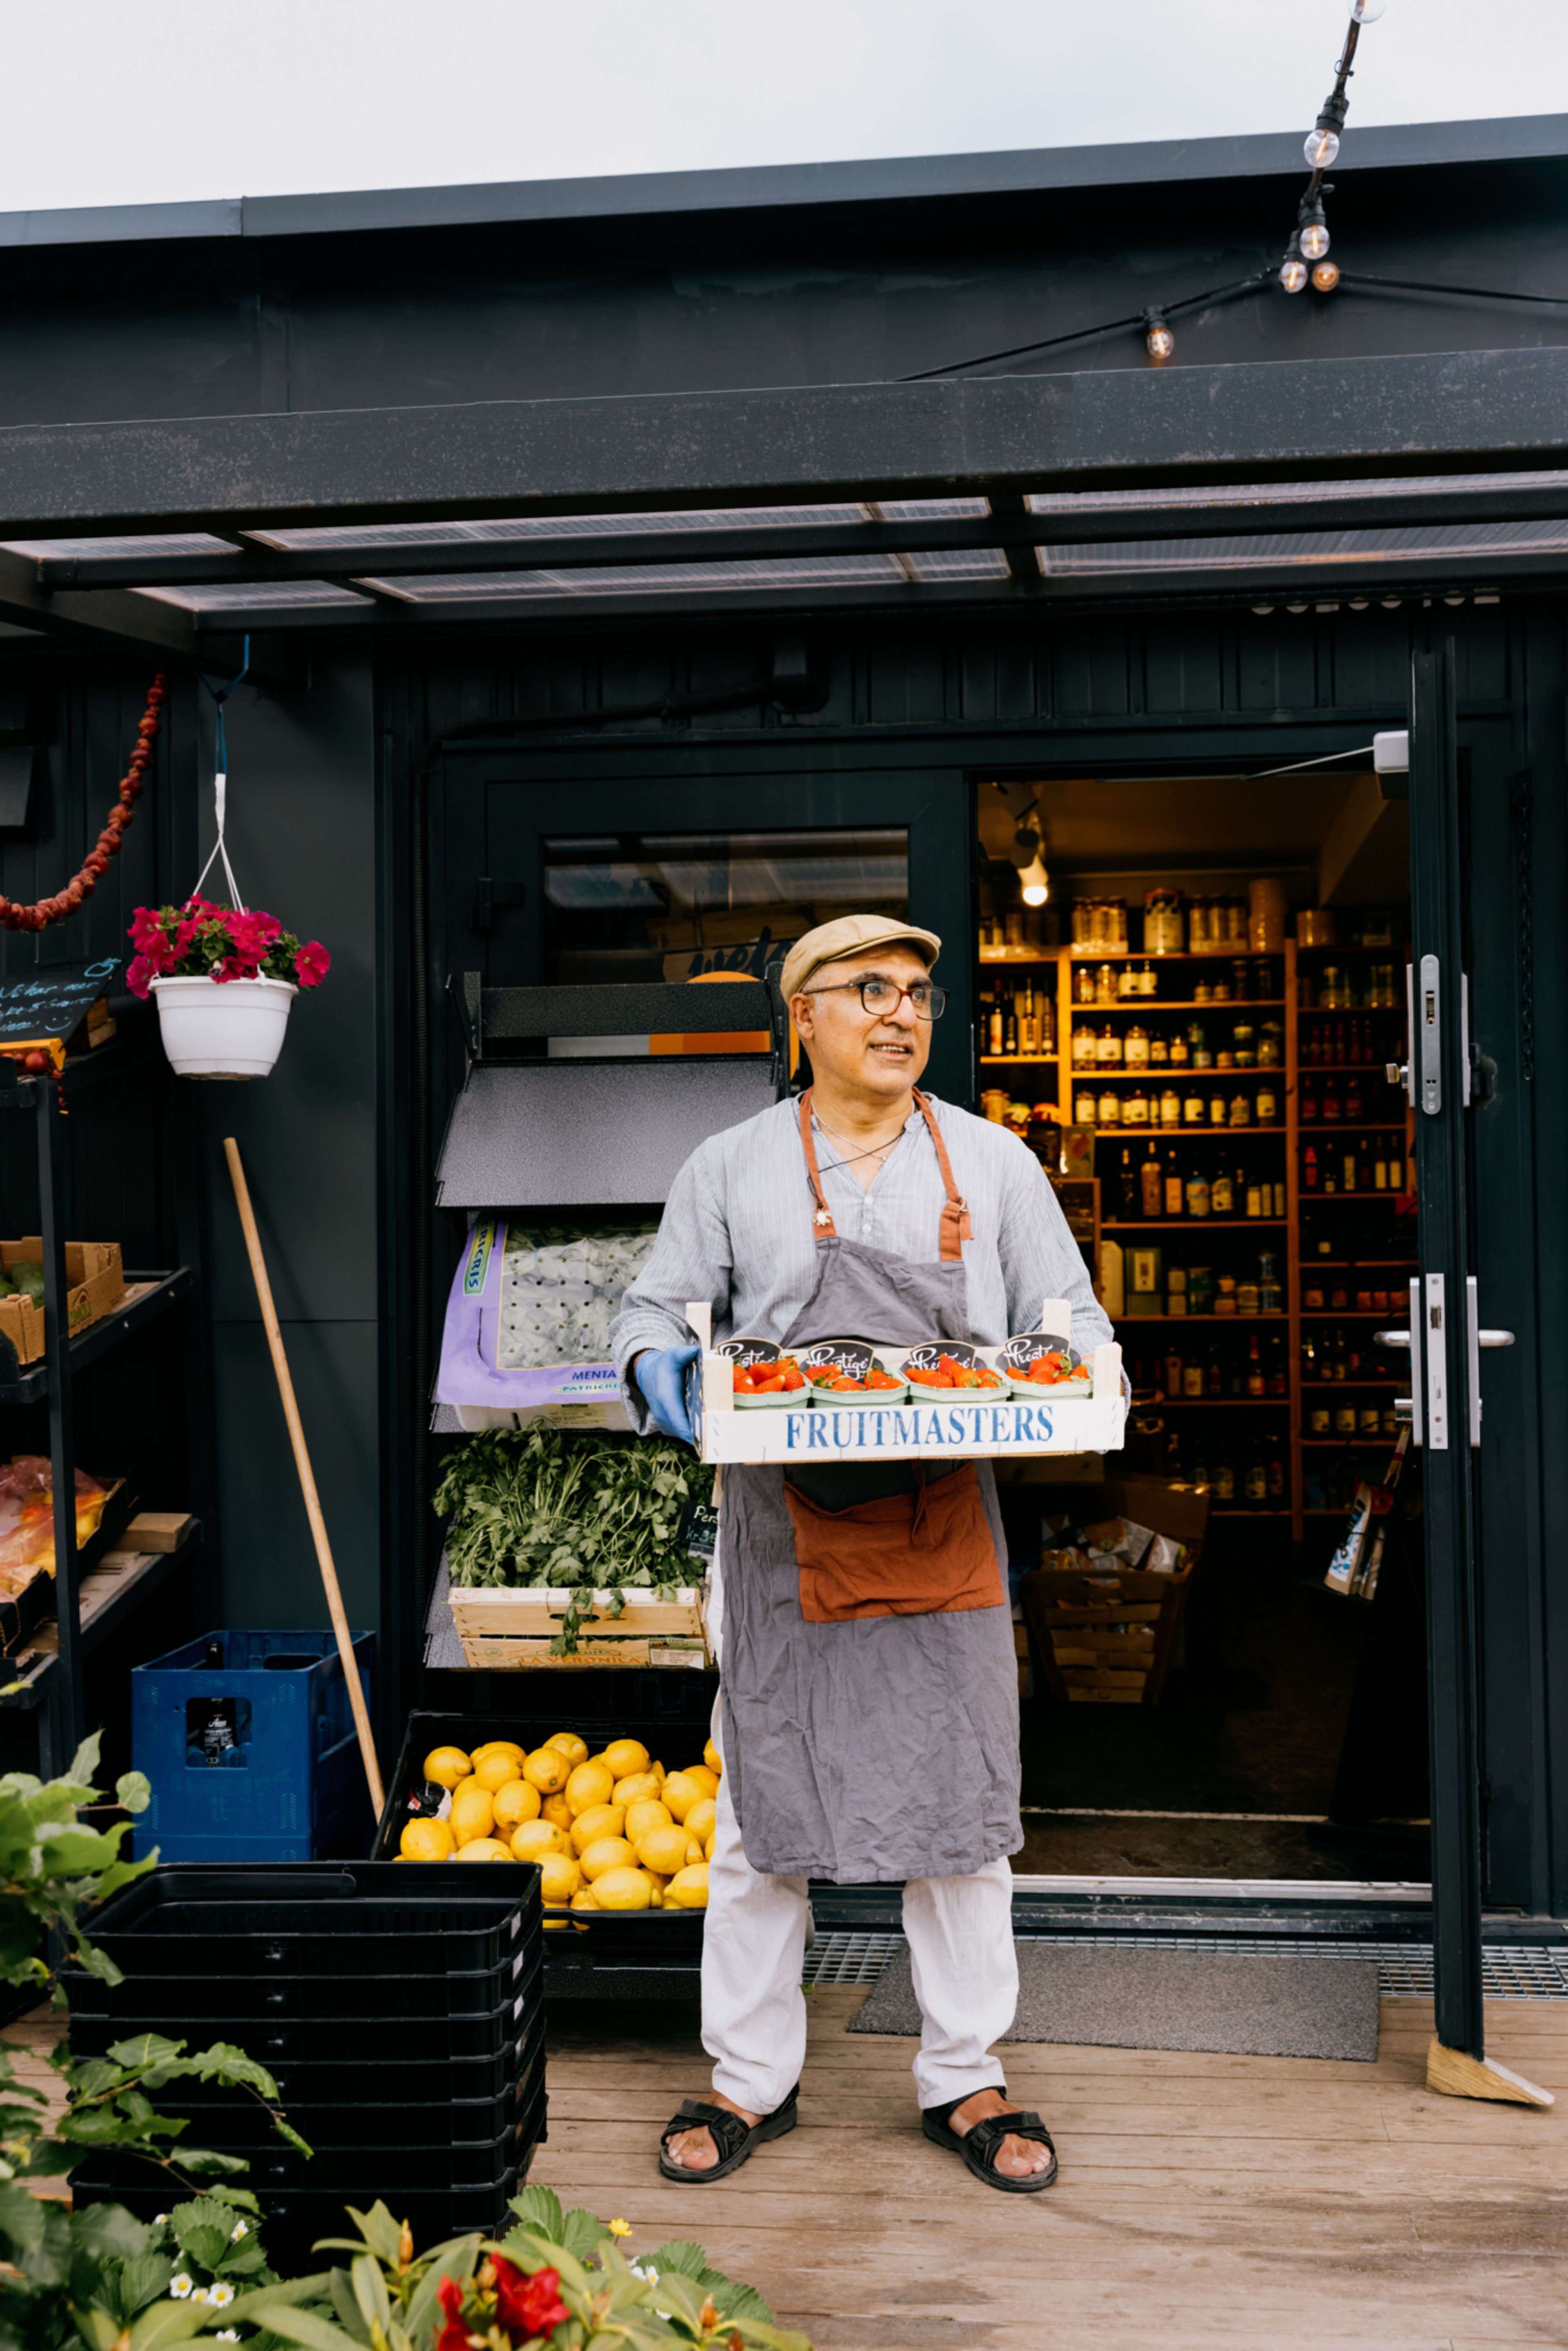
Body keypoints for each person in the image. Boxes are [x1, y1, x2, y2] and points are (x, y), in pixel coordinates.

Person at [610, 913, 1111, 2192]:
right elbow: (652, 1306)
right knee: (759, 1810)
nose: (901, 1013)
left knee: (962, 1814)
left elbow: (1068, 1315)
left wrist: (1088, 1371)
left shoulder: (993, 1164)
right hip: (783, 1534)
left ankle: (965, 2074)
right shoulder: (729, 1166)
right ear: (805, 1018)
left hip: (943, 1521)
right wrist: (661, 1363)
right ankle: (748, 2079)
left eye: (919, 995)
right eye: (870, 990)